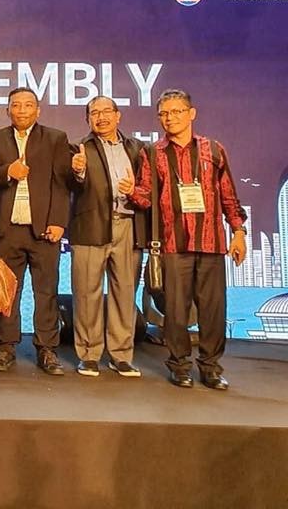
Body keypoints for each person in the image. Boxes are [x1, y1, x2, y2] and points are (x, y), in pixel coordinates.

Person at [131, 89, 246, 390]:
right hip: (173, 244)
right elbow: (145, 197)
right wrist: (130, 191)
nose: (170, 118)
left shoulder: (214, 150)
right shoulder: (152, 153)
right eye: (164, 113)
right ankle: (179, 365)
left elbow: (229, 196)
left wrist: (238, 232)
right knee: (176, 311)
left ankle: (210, 367)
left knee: (213, 310)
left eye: (176, 111)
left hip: (211, 243)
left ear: (191, 113)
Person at [0, 87, 70, 375]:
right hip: (8, 228)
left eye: (28, 105)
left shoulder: (56, 138)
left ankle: (47, 348)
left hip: (44, 229)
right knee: (7, 292)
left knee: (46, 291)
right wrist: (7, 172)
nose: (21, 110)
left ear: (38, 110)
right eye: (16, 105)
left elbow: (61, 184)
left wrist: (58, 221)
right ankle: (5, 347)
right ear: (7, 110)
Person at [69, 95, 148, 378]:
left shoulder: (138, 148)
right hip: (91, 226)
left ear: (118, 116)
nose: (101, 117)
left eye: (106, 112)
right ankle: (89, 355)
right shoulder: (79, 148)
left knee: (124, 292)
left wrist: (134, 191)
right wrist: (77, 171)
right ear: (88, 119)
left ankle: (121, 355)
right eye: (94, 113)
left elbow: (149, 189)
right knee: (86, 293)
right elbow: (69, 184)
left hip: (128, 226)